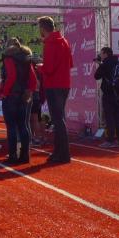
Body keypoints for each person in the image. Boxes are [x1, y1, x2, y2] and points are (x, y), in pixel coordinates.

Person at [38, 16, 73, 163]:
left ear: (42, 28)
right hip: (64, 84)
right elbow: (70, 64)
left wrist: (40, 67)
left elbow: (49, 69)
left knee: (58, 120)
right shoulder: (64, 41)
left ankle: (63, 154)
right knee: (59, 119)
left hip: (53, 85)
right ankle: (59, 152)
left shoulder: (50, 43)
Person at [0, 41, 37, 164]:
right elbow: (33, 80)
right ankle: (25, 155)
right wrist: (28, 91)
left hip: (11, 96)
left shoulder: (8, 58)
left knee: (11, 127)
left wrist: (4, 92)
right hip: (23, 96)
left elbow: (11, 76)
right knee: (23, 125)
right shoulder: (27, 60)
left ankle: (13, 155)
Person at [94, 47, 119, 148]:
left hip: (108, 93)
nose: (100, 55)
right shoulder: (118, 63)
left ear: (106, 54)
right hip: (118, 94)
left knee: (109, 118)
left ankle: (110, 140)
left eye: (101, 53)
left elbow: (96, 76)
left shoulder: (105, 63)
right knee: (118, 117)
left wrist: (100, 65)